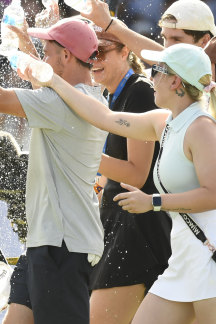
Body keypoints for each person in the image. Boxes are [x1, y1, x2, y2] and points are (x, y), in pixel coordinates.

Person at [29, 43, 216, 324]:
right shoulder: (164, 121)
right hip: (185, 258)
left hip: (208, 258)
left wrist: (153, 202)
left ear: (176, 81)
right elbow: (103, 117)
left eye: (157, 71)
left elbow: (213, 194)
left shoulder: (201, 127)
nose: (151, 77)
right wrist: (53, 80)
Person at [0, 16, 107, 324]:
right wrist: (24, 41)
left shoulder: (60, 104)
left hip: (62, 245)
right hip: (48, 241)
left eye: (46, 51)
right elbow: (48, 85)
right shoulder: (79, 97)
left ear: (65, 56)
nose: (42, 58)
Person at [88, 24, 171, 324]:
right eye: (89, 53)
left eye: (101, 51)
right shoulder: (110, 96)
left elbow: (136, 175)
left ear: (125, 51)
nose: (93, 59)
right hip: (117, 223)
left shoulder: (139, 91)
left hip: (139, 228)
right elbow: (106, 175)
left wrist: (86, 158)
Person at [81, 0, 214, 73]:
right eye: (165, 38)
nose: (167, 46)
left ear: (204, 41)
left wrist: (110, 25)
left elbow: (171, 62)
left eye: (176, 39)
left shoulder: (204, 75)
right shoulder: (161, 74)